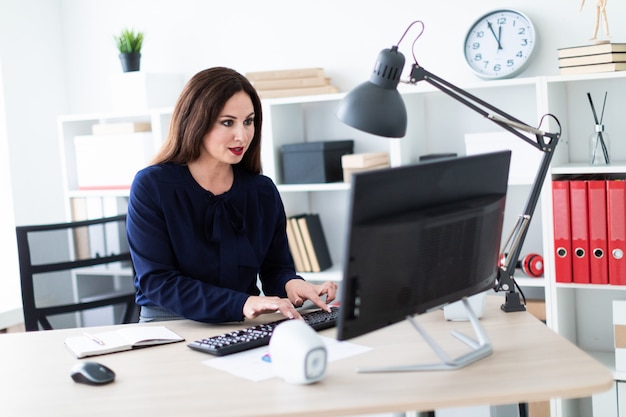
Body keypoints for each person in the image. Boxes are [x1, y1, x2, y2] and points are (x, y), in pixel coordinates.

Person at [126, 67, 338, 323]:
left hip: (243, 322)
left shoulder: (262, 191)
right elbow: (157, 282)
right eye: (228, 122)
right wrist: (242, 302)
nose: (243, 135)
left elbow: (275, 270)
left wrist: (294, 285)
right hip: (170, 326)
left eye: (248, 121)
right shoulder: (152, 186)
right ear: (196, 122)